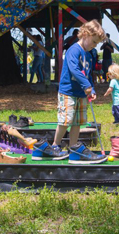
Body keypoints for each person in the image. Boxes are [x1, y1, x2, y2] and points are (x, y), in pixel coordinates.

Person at [34, 19, 107, 163]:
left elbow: (87, 73)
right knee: (65, 120)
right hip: (68, 91)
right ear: (85, 34)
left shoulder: (88, 54)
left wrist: (90, 88)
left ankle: (74, 148)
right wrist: (86, 85)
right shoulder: (74, 50)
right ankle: (54, 146)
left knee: (77, 122)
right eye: (94, 42)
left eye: (97, 44)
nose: (95, 46)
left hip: (81, 93)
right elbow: (74, 70)